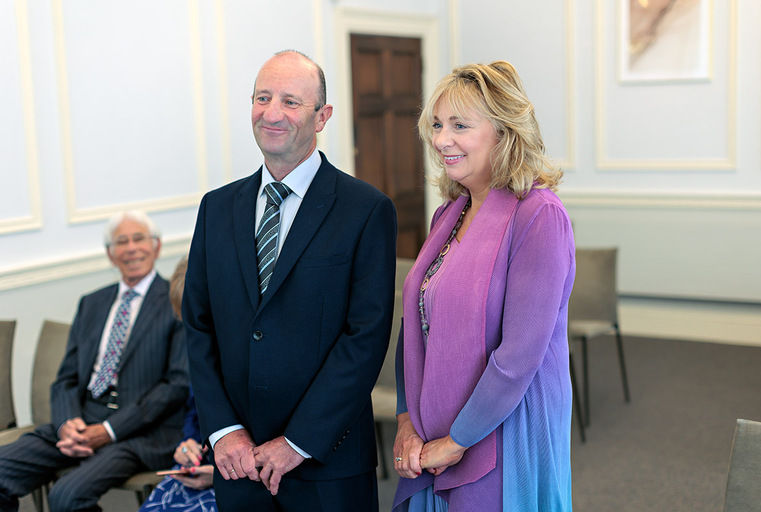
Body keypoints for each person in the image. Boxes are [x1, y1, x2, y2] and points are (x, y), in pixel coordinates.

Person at [183, 50, 397, 511]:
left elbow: (365, 338)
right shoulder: (216, 208)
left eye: (291, 101)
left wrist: (298, 442)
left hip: (326, 463)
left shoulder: (366, 210)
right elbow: (198, 328)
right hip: (237, 463)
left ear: (323, 116)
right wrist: (223, 432)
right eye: (263, 98)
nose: (272, 113)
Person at [392, 61, 575, 511]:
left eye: (459, 125)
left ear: (504, 131)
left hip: (508, 427)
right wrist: (404, 420)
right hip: (435, 426)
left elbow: (518, 357)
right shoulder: (447, 215)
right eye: (436, 125)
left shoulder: (538, 215)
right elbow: (415, 324)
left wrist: (457, 440)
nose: (440, 140)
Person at [0, 211, 189, 512]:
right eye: (121, 242)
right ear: (110, 255)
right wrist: (66, 424)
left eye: (139, 239)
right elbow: (66, 379)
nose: (130, 248)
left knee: (66, 496)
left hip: (136, 433)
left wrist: (109, 430)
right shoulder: (92, 302)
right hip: (81, 422)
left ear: (157, 247)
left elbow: (175, 386)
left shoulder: (176, 300)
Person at [138, 255, 217, 512]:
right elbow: (195, 413)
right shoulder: (197, 352)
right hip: (201, 467)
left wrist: (219, 474)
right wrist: (188, 446)